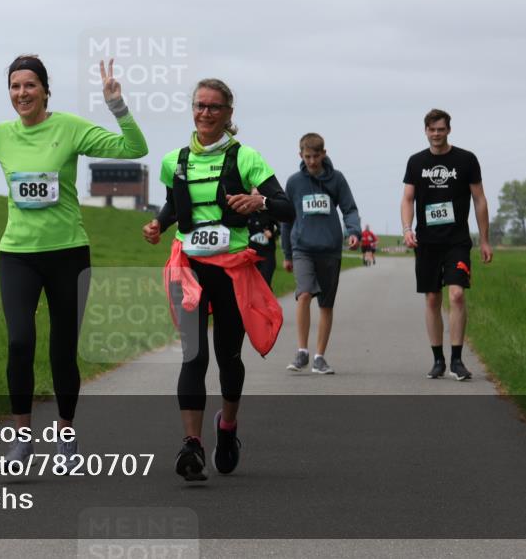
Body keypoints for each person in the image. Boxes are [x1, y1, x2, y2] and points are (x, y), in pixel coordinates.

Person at [0, 56, 148, 466]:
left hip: (68, 252)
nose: (22, 93)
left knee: (63, 350)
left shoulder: (68, 128)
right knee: (19, 343)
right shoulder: (2, 136)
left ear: (45, 90)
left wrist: (116, 106)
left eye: (30, 85)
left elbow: (134, 148)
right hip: (17, 254)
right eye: (15, 87)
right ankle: (21, 438)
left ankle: (66, 435)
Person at [142, 78, 294, 481]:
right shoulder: (174, 160)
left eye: (214, 107)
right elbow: (176, 204)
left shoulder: (246, 158)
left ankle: (227, 428)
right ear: (192, 109)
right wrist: (159, 223)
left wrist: (258, 200)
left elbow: (286, 207)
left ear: (229, 114)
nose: (205, 113)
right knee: (194, 356)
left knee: (228, 357)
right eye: (199, 106)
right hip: (189, 267)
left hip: (231, 271)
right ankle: (191, 445)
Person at [401, 109, 492, 381]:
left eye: (441, 129)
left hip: (457, 241)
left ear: (448, 130)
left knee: (457, 295)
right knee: (432, 298)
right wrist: (407, 229)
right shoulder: (416, 162)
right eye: (432, 129)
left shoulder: (466, 160)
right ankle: (438, 359)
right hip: (427, 241)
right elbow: (407, 198)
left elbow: (480, 200)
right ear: (425, 131)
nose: (436, 134)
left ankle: (457, 359)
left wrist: (485, 239)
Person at [281, 133, 361, 375]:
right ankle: (302, 351)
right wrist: (286, 253)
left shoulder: (337, 179)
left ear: (324, 154)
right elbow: (286, 219)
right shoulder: (294, 182)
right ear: (300, 155)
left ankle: (319, 357)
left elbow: (349, 208)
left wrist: (354, 231)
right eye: (307, 157)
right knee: (304, 294)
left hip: (330, 249)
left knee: (326, 304)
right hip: (302, 248)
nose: (312, 161)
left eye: (316, 156)